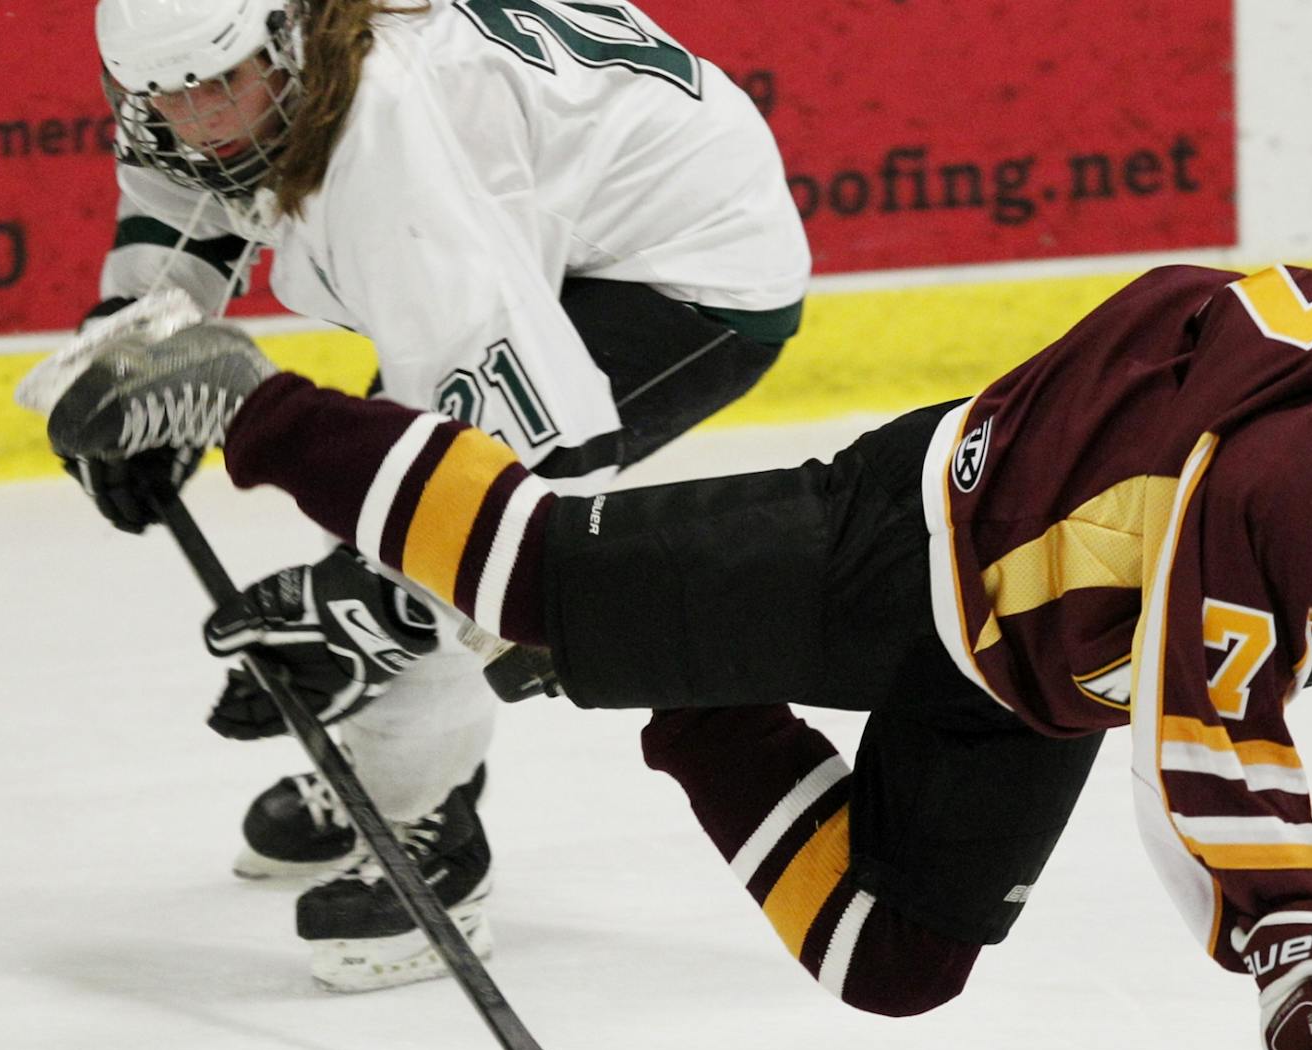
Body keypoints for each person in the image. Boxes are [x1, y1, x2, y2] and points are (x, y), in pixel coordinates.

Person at [49, 202, 1312, 1050]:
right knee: (551, 567)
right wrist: (1295, 950)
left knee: (898, 961)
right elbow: (1217, 736)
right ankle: (237, 397)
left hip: (1037, 679)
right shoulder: (1284, 482)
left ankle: (674, 682)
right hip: (913, 546)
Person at [65, 0, 811, 990]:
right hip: (571, 211)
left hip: (684, 277)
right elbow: (178, 183)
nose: (199, 120)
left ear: (287, 44)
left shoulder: (392, 139)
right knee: (381, 510)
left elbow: (507, 481)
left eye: (221, 86)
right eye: (168, 97)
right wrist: (139, 342)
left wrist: (362, 610)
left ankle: (437, 842)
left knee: (429, 526)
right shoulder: (275, 58)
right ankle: (388, 769)